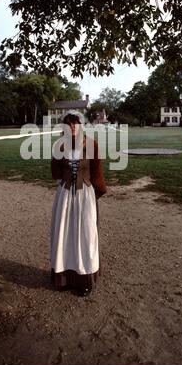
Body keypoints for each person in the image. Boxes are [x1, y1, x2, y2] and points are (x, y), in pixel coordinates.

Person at [50, 110, 107, 297]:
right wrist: (63, 187)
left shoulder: (91, 145)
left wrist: (94, 192)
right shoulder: (59, 145)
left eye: (75, 123)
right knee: (64, 234)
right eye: (68, 123)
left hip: (85, 196)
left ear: (81, 125)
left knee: (85, 235)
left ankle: (85, 280)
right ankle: (64, 277)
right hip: (66, 196)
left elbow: (97, 170)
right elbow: (56, 169)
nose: (72, 127)